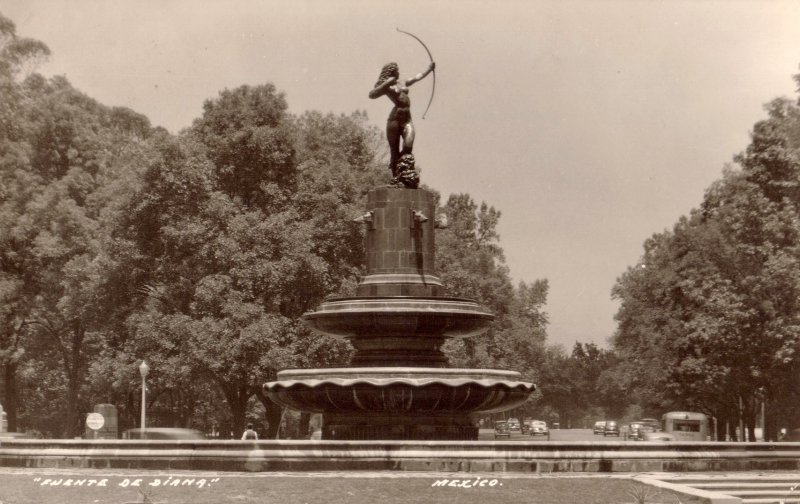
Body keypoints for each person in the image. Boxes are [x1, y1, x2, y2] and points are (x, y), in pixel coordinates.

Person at [368, 61, 435, 182]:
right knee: (394, 151)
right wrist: (387, 82)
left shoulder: (402, 82)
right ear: (391, 72)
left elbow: (416, 78)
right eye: (396, 70)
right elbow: (372, 95)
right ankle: (396, 177)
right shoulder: (387, 86)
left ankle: (402, 167)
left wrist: (429, 69)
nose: (399, 72)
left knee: (408, 144)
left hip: (407, 119)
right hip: (394, 120)